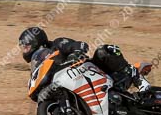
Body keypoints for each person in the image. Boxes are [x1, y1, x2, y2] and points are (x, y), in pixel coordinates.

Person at [18, 27, 150, 92]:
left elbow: (80, 46)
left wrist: (75, 54)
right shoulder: (37, 64)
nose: (24, 50)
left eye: (26, 46)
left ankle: (135, 75)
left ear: (35, 42)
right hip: (74, 87)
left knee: (103, 50)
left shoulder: (57, 44)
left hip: (89, 72)